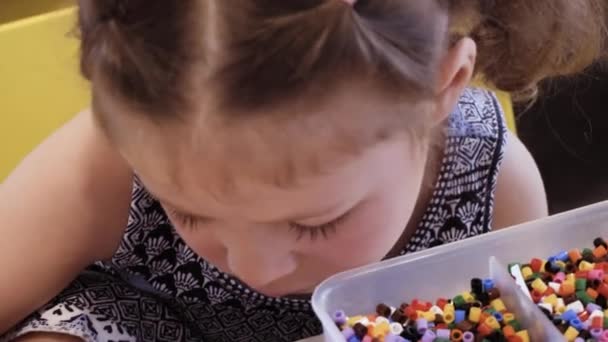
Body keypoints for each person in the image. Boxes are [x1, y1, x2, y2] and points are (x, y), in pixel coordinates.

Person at [0, 0, 605, 341]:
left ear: (440, 90)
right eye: (186, 209)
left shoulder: (494, 184)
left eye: (315, 223)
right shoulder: (107, 161)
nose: (253, 266)